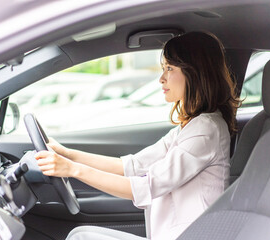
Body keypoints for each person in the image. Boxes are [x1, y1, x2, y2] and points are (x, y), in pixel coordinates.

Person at [34, 31, 241, 240]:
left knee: (80, 237)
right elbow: (131, 166)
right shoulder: (191, 127)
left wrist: (72, 169)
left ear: (196, 73)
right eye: (163, 69)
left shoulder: (206, 130)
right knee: (81, 234)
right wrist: (68, 154)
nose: (161, 79)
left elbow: (144, 187)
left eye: (170, 68)